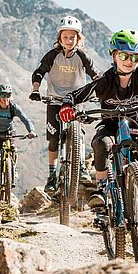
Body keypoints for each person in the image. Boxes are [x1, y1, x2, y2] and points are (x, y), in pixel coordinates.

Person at [58, 29, 138, 207]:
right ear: (114, 55)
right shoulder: (105, 81)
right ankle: (101, 189)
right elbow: (78, 95)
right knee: (101, 144)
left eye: (135, 58)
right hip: (110, 126)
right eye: (124, 56)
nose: (129, 61)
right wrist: (67, 106)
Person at [30, 16, 99, 193]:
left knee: (79, 132)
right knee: (53, 138)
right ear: (60, 38)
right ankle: (52, 175)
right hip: (54, 100)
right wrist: (36, 90)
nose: (69, 40)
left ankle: (81, 166)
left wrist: (102, 91)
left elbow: (96, 75)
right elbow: (39, 72)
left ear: (78, 38)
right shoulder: (53, 55)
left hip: (77, 100)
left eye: (73, 37)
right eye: (65, 37)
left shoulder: (82, 56)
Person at [0, 84, 37, 199]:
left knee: (13, 150)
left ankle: (12, 168)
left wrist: (32, 131)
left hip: (9, 132)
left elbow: (26, 119)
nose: (5, 98)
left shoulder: (14, 107)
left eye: (8, 95)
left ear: (11, 96)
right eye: (3, 95)